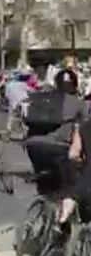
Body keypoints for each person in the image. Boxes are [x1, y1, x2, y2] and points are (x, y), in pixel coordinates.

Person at [24, 68, 88, 228]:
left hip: (33, 145)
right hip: (58, 148)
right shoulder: (77, 103)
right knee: (71, 184)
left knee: (46, 181)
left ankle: (43, 210)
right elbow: (84, 129)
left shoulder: (43, 99)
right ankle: (60, 223)